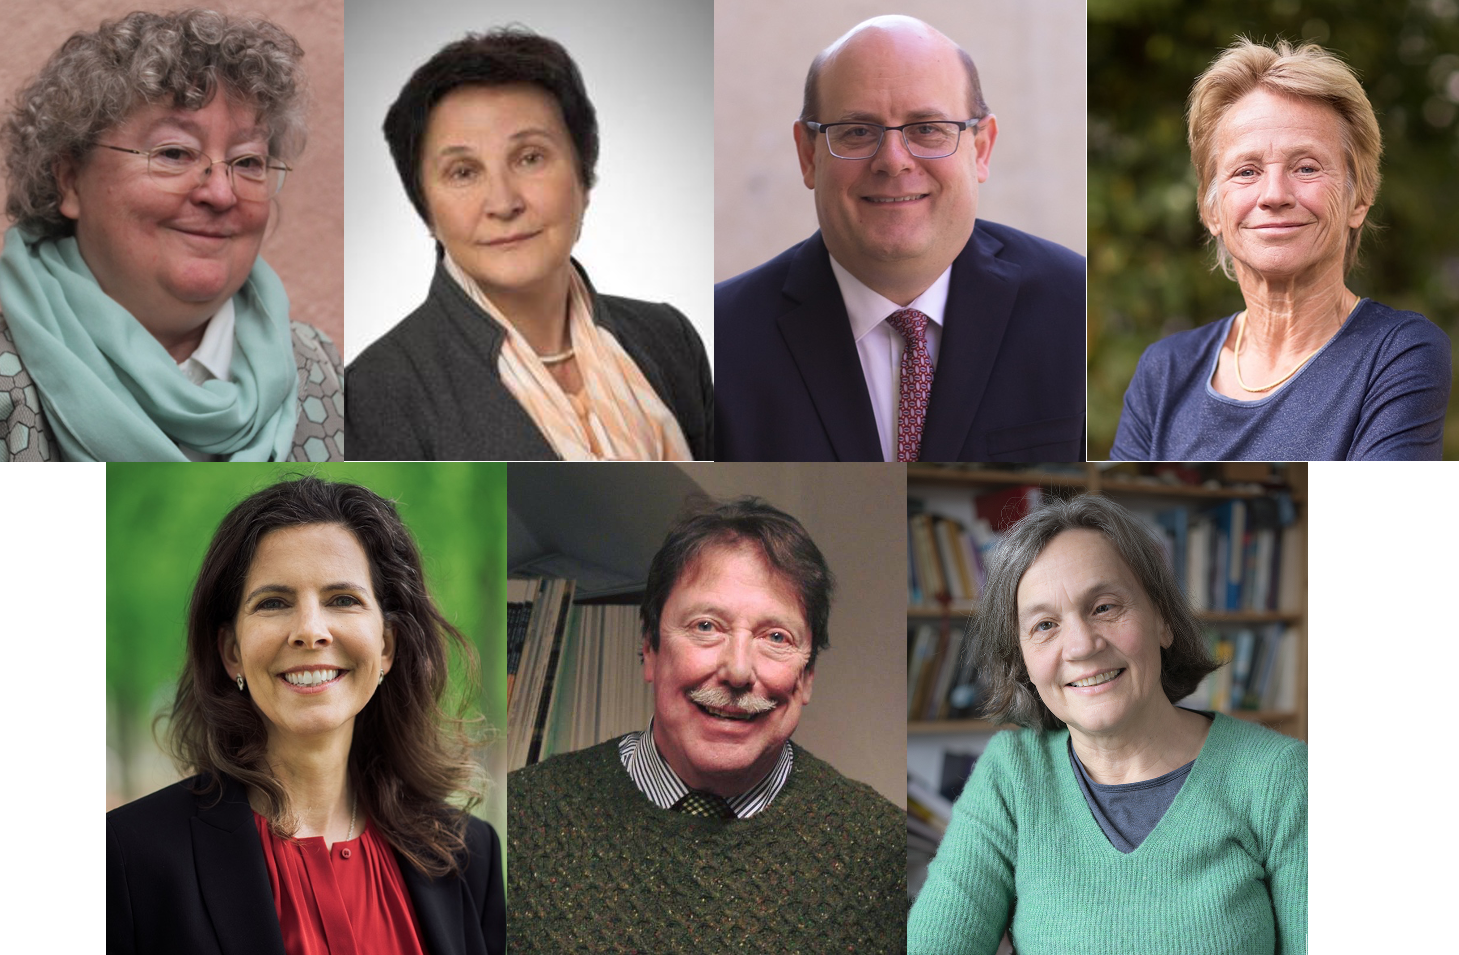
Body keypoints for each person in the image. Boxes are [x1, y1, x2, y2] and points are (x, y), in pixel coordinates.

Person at [107, 476, 505, 955]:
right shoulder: (129, 858)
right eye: (273, 603)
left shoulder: (470, 855)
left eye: (343, 600)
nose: (310, 631)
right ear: (232, 652)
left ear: (387, 647)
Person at [907, 495, 1306, 954]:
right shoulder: (1011, 775)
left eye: (1104, 607)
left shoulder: (1282, 777)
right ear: (1023, 662)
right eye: (1044, 625)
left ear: (1162, 620)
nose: (1080, 646)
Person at [508, 497, 905, 953]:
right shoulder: (518, 820)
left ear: (807, 676)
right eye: (706, 626)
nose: (738, 671)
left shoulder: (880, 850)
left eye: (776, 637)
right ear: (651, 650)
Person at [0, 9, 343, 463]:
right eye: (174, 153)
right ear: (70, 180)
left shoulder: (325, 373)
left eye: (248, 161)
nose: (221, 192)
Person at [715, 15, 1084, 463]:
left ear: (981, 148)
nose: (893, 161)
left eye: (927, 128)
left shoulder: (1074, 305)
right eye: (857, 131)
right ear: (809, 155)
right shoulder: (719, 340)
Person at [346, 28, 713, 461]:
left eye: (530, 158)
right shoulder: (372, 393)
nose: (503, 203)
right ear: (426, 209)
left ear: (584, 176)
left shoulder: (668, 336)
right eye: (463, 172)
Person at [1112, 39, 1451, 461]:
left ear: (1360, 198)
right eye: (1247, 171)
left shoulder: (1397, 353)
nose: (1274, 195)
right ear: (1210, 209)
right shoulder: (1164, 371)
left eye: (1306, 167)